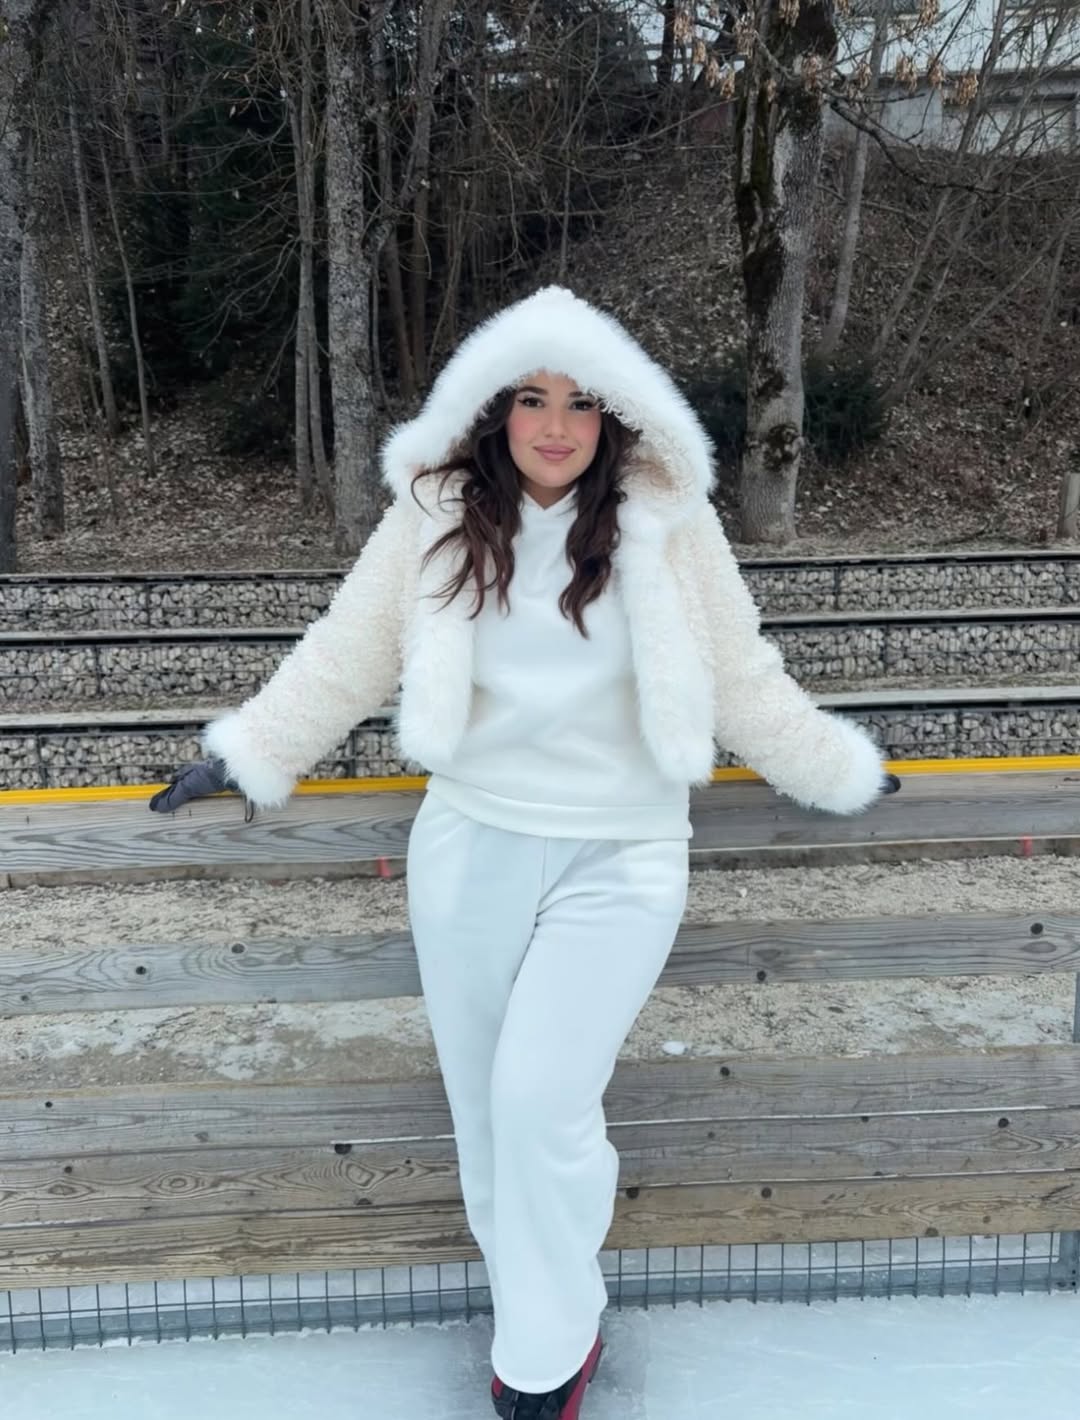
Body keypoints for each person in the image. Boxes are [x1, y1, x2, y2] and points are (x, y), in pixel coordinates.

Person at [151, 286, 899, 1420]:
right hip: (472, 849)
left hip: (623, 854)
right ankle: (540, 1331)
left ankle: (549, 1352)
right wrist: (247, 752)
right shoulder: (435, 515)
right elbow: (347, 654)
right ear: (493, 410)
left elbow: (741, 676)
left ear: (616, 416)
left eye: (580, 403)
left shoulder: (667, 522)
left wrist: (834, 766)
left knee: (541, 1100)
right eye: (532, 400)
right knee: (487, 1118)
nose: (556, 425)